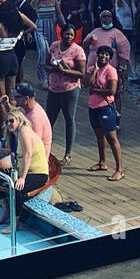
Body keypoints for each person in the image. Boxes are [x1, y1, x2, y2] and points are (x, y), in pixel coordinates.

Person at [0, 104, 50, 227]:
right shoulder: (15, 134)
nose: (9, 123)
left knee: (17, 188)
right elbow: (17, 158)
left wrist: (21, 177)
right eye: (7, 121)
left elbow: (27, 154)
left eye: (12, 121)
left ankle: (15, 222)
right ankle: (6, 212)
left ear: (19, 120)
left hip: (39, 174)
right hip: (25, 171)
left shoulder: (24, 130)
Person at [42, 23, 85, 163]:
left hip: (69, 90)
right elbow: (46, 64)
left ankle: (68, 153)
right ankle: (44, 150)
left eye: (72, 35)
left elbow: (81, 73)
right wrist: (53, 68)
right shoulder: (54, 46)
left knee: (69, 119)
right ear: (62, 34)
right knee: (49, 120)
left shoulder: (78, 50)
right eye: (66, 34)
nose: (69, 37)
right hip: (53, 88)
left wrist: (65, 70)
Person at [86, 44, 123, 180]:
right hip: (93, 106)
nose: (103, 56)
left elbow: (112, 91)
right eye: (101, 54)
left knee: (112, 138)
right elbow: (85, 83)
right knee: (99, 135)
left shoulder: (111, 71)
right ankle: (102, 162)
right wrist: (94, 71)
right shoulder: (92, 68)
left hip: (106, 107)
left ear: (110, 58)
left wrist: (95, 90)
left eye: (106, 55)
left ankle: (119, 169)